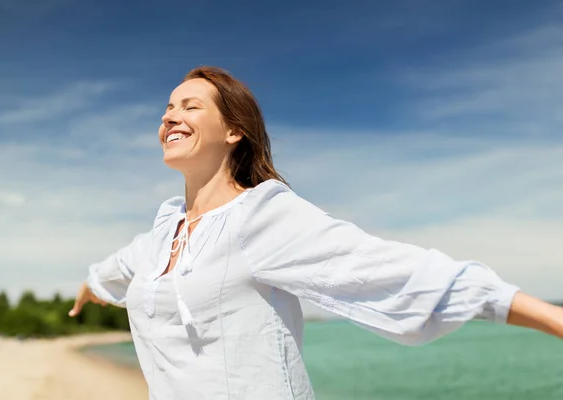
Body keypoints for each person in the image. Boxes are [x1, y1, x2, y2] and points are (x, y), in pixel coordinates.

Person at [69, 66, 563, 400]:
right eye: (168, 107)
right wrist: (91, 286)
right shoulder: (163, 232)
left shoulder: (261, 216)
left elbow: (397, 271)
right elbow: (119, 268)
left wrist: (550, 317)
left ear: (234, 129)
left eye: (190, 106)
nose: (169, 116)